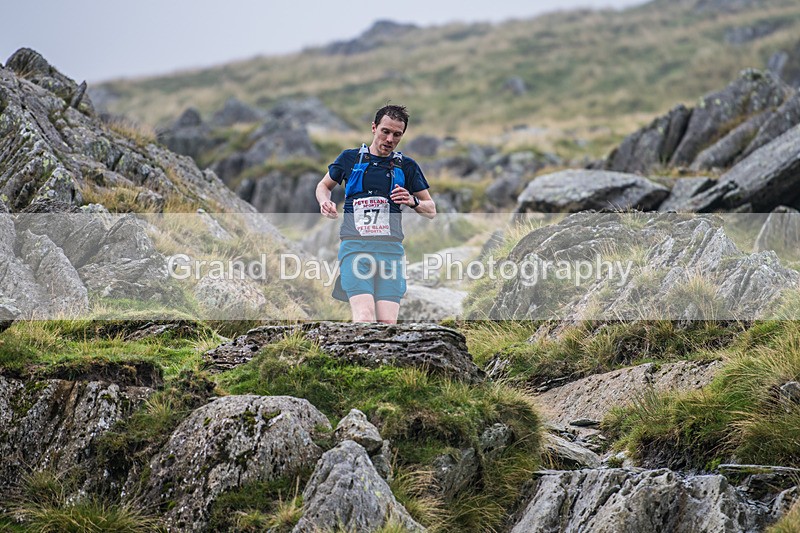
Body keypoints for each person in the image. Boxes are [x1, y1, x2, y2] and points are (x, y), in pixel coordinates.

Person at [316, 104, 435, 323]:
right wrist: (325, 202)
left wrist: (412, 200)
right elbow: (323, 186)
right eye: (385, 131)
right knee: (364, 317)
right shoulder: (349, 159)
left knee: (388, 325)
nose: (390, 139)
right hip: (355, 250)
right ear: (374, 128)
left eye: (397, 134)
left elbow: (431, 209)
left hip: (390, 253)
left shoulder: (407, 166)